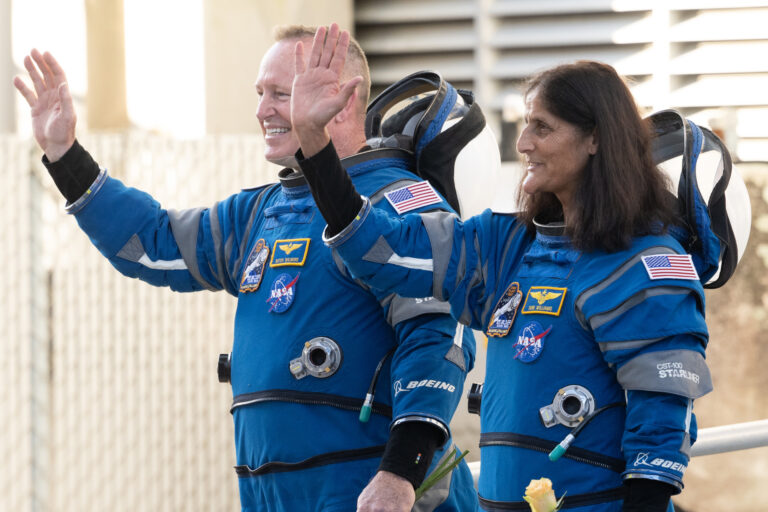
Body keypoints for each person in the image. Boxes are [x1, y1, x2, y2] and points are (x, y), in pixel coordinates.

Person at [13, 24, 478, 512]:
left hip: (377, 496)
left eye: (281, 93)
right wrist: (65, 156)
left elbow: (439, 340)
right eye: (260, 93)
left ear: (342, 100)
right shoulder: (262, 212)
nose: (261, 110)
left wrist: (400, 474)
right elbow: (151, 243)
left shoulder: (398, 203)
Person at [290, 27, 713, 512]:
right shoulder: (506, 243)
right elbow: (382, 249)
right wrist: (315, 143)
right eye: (525, 123)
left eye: (543, 127)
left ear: (596, 139)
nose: (524, 142)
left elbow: (660, 429)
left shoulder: (645, 265)